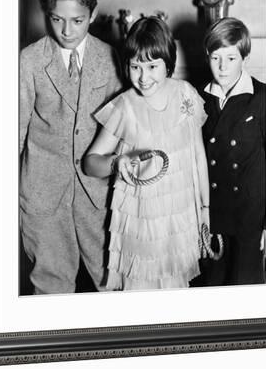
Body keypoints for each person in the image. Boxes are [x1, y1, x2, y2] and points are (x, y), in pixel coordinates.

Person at [84, 17, 210, 291]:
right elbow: (90, 163)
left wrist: (204, 210)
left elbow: (198, 156)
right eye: (135, 67)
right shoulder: (125, 106)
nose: (143, 77)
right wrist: (117, 163)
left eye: (152, 66)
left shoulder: (185, 95)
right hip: (139, 225)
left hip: (178, 222)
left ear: (168, 63)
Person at [19, 0, 122, 294]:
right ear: (46, 13)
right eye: (56, 18)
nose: (66, 30)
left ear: (92, 14)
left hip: (99, 197)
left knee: (113, 283)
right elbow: (12, 134)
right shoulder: (29, 61)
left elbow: (123, 128)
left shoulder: (111, 59)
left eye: (77, 20)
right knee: (51, 288)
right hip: (43, 197)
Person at [198, 17, 266, 286]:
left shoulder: (262, 97)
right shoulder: (199, 98)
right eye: (216, 58)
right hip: (214, 214)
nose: (223, 67)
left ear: (244, 57)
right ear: (207, 57)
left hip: (250, 216)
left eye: (231, 58)